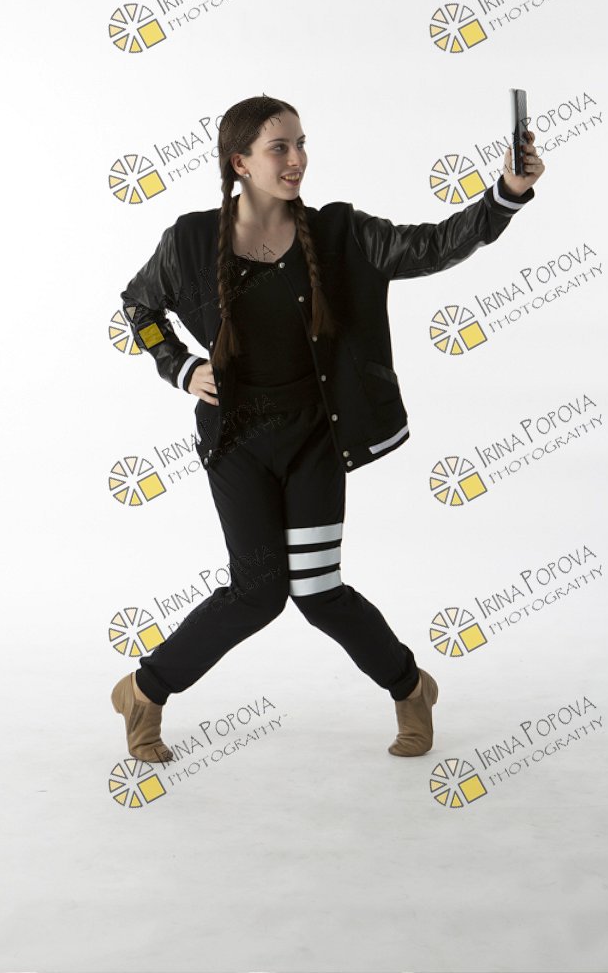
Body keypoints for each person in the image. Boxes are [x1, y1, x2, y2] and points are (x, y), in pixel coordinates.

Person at [113, 94, 545, 765]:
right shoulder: (190, 240)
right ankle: (144, 692)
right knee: (257, 595)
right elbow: (137, 307)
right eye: (279, 148)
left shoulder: (340, 233)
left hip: (314, 437)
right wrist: (179, 366)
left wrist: (507, 195)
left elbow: (431, 246)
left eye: (302, 144)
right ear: (240, 162)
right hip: (236, 442)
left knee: (317, 591)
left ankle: (411, 688)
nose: (297, 159)